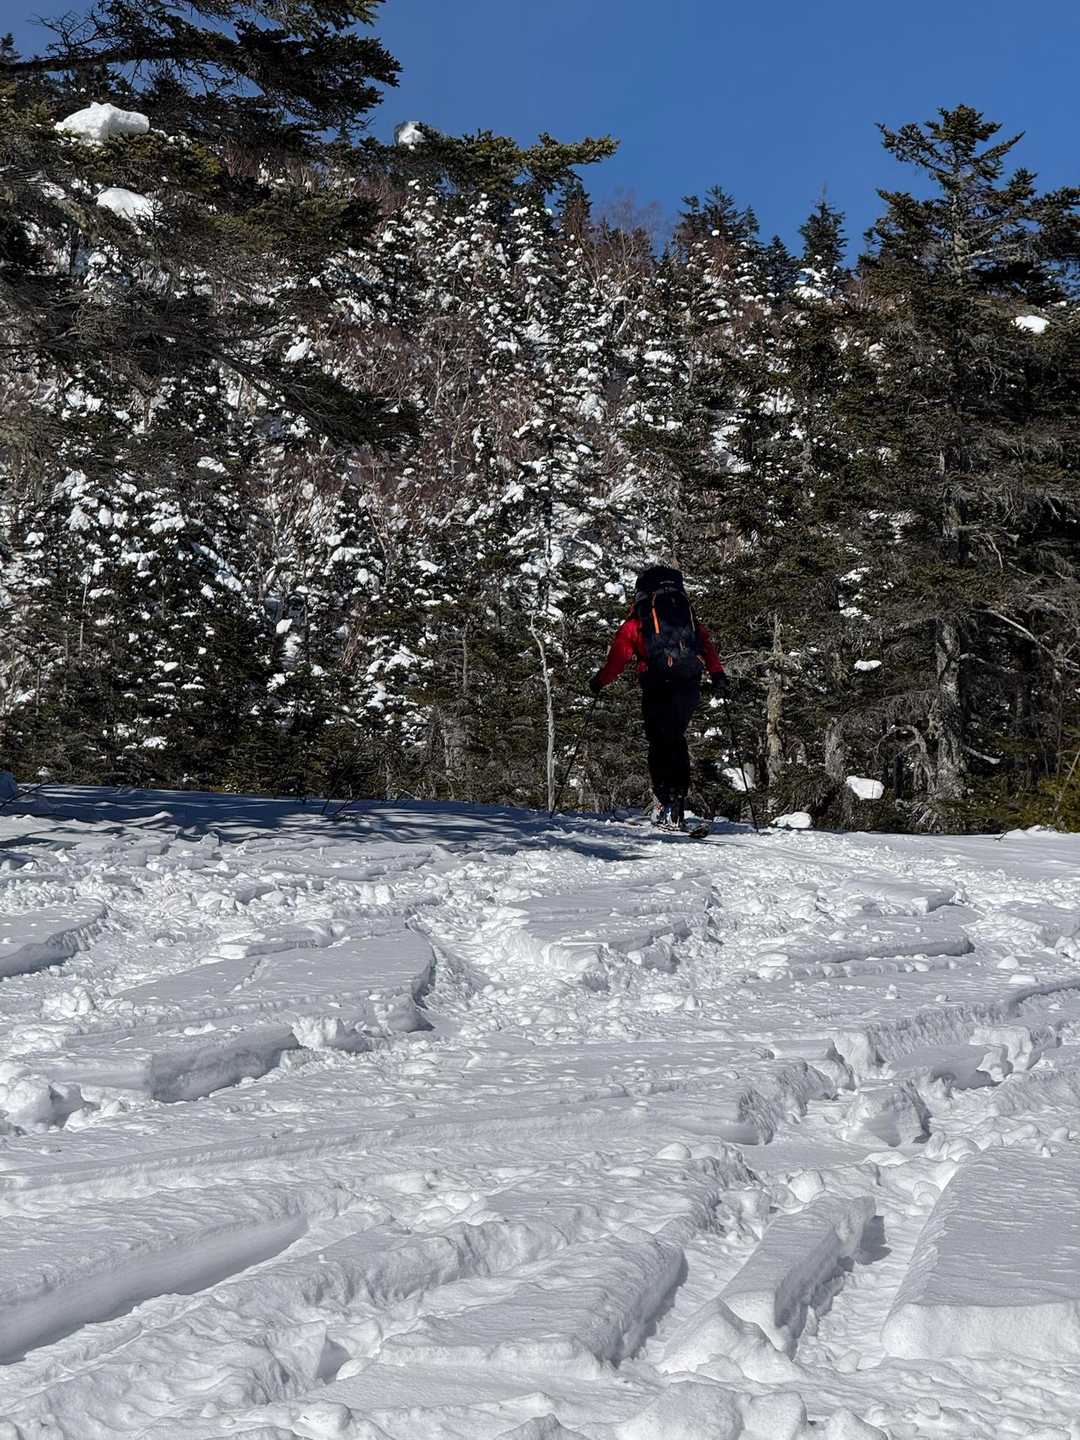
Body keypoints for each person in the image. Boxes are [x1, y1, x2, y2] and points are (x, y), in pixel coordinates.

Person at [589, 565, 729, 830]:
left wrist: (599, 681)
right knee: (676, 739)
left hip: (657, 683)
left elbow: (619, 657)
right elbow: (706, 645)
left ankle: (664, 804)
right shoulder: (686, 616)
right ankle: (678, 805)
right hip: (688, 683)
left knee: (659, 743)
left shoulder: (638, 619)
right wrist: (718, 675)